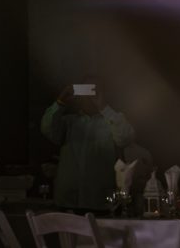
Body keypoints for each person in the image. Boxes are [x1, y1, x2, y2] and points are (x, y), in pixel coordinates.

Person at [39, 78, 135, 213]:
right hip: (68, 200)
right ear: (77, 96)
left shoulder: (111, 120)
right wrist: (60, 102)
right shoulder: (69, 122)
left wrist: (103, 107)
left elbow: (126, 137)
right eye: (84, 92)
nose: (88, 97)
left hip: (101, 202)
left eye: (93, 91)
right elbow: (46, 128)